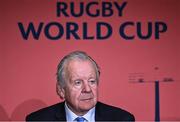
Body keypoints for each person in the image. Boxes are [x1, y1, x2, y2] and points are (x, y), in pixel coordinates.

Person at [26, 51, 135, 121]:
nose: (87, 89)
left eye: (92, 81)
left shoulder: (122, 119)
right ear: (61, 90)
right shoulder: (38, 120)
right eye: (78, 82)